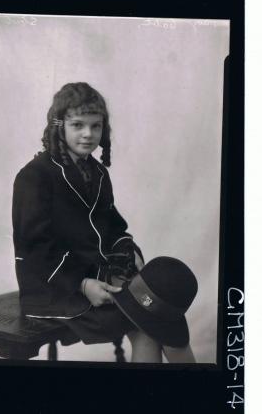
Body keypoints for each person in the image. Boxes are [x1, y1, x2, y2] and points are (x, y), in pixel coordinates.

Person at [12, 82, 195, 363]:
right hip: (54, 289)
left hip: (97, 275)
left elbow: (113, 228)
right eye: (78, 125)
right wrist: (82, 284)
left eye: (95, 126)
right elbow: (34, 251)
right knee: (147, 325)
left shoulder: (96, 172)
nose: (88, 134)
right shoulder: (34, 176)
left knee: (160, 316)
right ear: (58, 126)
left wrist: (128, 251)